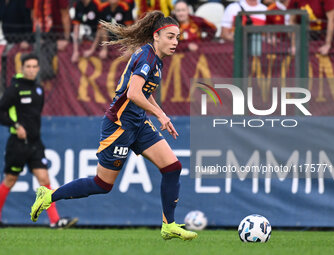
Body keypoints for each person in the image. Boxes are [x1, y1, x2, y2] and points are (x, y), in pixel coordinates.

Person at [30, 11, 198, 241]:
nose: (175, 42)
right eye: (170, 37)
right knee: (102, 184)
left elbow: (144, 94)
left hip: (138, 122)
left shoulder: (155, 59)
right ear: (156, 36)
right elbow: (133, 93)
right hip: (120, 125)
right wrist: (160, 115)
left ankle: (169, 225)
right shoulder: (147, 57)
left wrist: (160, 113)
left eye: (177, 38)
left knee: (172, 167)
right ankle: (48, 195)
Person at [0, 53, 78, 229]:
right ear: (22, 68)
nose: (32, 70)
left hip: (35, 143)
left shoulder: (38, 89)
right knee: (10, 180)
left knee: (44, 179)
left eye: (35, 67)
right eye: (29, 66)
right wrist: (16, 125)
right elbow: (1, 112)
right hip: (17, 144)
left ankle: (55, 221)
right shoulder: (15, 89)